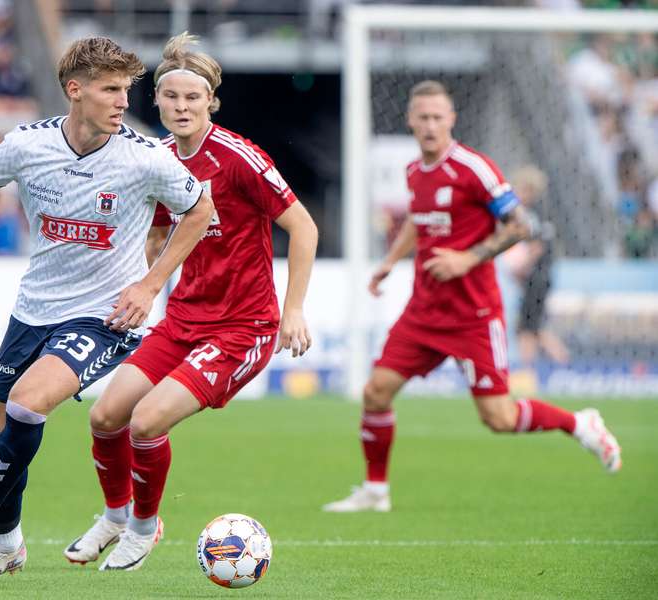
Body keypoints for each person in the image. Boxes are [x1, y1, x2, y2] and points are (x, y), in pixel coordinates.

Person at [0, 36, 214, 583]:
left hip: (105, 316)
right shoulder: (26, 144)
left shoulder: (144, 156)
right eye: (110, 90)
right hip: (33, 308)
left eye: (126, 90)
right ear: (75, 90)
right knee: (2, 424)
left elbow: (200, 210)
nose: (121, 101)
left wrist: (151, 284)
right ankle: (9, 544)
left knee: (27, 404)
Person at [64, 32, 318, 572]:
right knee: (106, 415)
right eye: (171, 97)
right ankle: (114, 516)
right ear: (155, 100)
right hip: (182, 318)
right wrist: (135, 285)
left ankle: (142, 528)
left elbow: (304, 227)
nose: (181, 107)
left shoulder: (238, 158)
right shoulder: (155, 159)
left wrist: (293, 309)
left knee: (146, 422)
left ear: (211, 103)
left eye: (193, 98)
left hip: (241, 328)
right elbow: (157, 237)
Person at [322, 81, 622, 514]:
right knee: (376, 392)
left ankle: (580, 423)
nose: (429, 125)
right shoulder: (414, 172)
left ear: (451, 120)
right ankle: (375, 489)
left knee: (497, 418)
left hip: (474, 315)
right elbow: (418, 221)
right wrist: (389, 261)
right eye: (421, 117)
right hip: (424, 311)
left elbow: (521, 225)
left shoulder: (474, 169)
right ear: (410, 121)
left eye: (437, 118)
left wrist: (467, 259)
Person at [504, 166, 569, 375]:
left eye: (519, 190)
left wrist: (519, 269)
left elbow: (536, 248)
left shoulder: (530, 215)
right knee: (535, 326)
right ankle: (563, 365)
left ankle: (527, 373)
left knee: (526, 327)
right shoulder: (544, 213)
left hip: (535, 277)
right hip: (543, 276)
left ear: (529, 190)